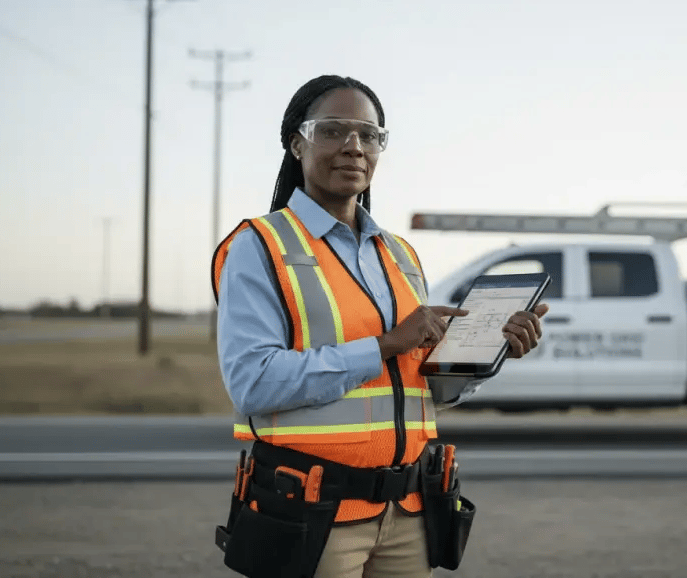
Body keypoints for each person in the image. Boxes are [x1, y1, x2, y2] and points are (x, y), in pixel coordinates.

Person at [211, 74, 548, 578]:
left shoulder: (399, 253)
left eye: (369, 135)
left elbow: (416, 387)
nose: (354, 147)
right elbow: (253, 383)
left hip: (409, 513)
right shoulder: (259, 246)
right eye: (333, 131)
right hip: (314, 513)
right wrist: (386, 344)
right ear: (296, 142)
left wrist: (485, 357)